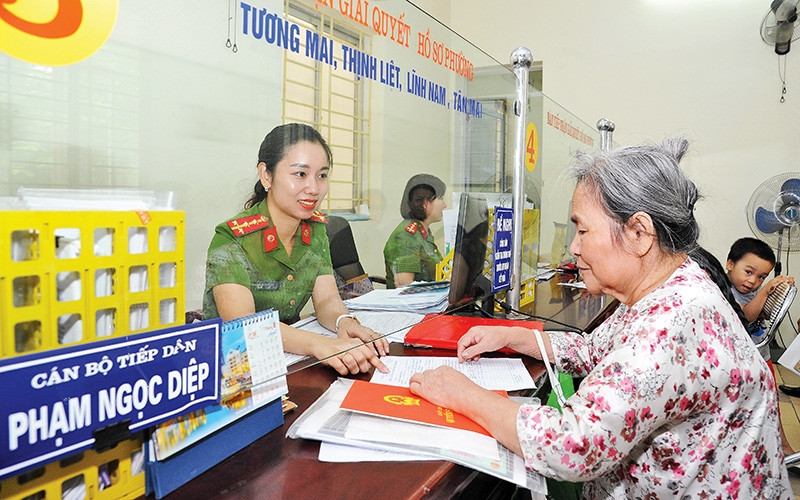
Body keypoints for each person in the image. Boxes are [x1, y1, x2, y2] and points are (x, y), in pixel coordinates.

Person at [409, 138, 791, 498]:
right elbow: (597, 350)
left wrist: (463, 394)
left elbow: (571, 444)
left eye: (582, 229)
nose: (574, 247)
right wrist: (516, 336)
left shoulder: (673, 323)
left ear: (639, 233)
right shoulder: (670, 284)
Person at [203, 123, 388, 375]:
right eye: (300, 174)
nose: (314, 188)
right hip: (232, 368)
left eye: (322, 175)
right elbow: (243, 326)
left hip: (288, 360)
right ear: (266, 175)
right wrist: (321, 345)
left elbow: (326, 300)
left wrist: (342, 322)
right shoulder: (231, 239)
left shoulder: (316, 230)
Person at [725, 236, 795, 455]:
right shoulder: (725, 290)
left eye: (761, 277)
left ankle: (781, 446)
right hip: (743, 357)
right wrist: (766, 289)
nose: (753, 281)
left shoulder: (751, 291)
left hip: (760, 356)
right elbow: (744, 316)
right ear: (730, 264)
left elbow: (758, 314)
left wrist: (777, 289)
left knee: (771, 402)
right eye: (749, 272)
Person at [383, 173, 447, 288]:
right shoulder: (406, 237)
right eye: (441, 199)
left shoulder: (423, 231)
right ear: (425, 203)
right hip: (416, 303)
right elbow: (405, 287)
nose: (444, 205)